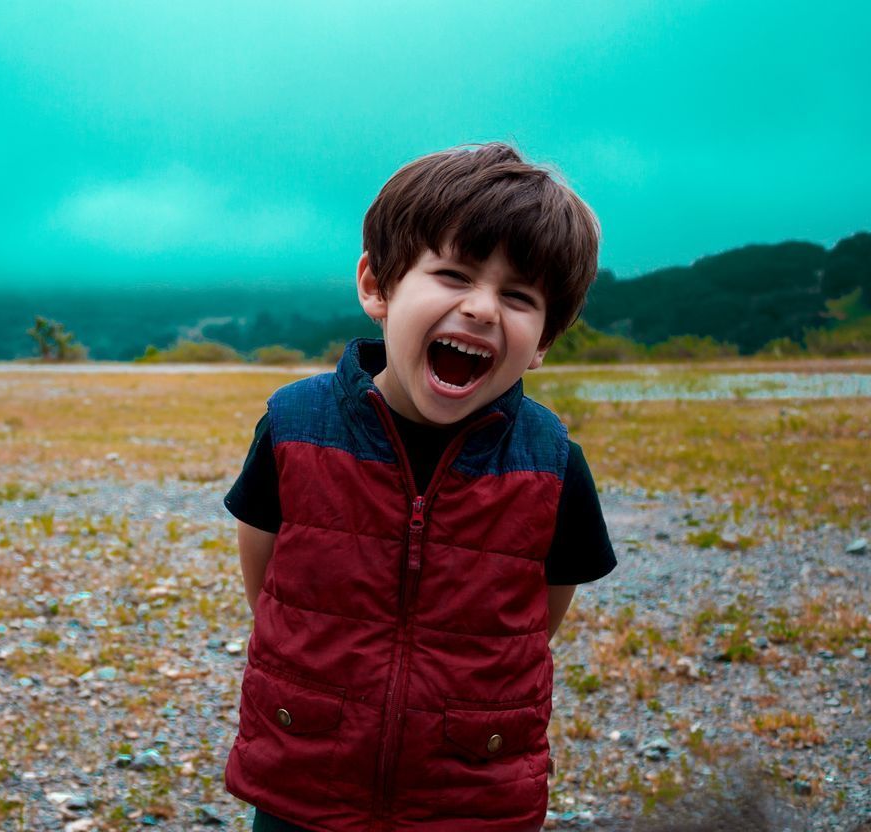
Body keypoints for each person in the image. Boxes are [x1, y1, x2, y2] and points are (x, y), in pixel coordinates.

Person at [222, 142, 617, 832]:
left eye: (520, 297)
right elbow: (268, 579)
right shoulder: (295, 427)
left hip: (468, 790)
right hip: (306, 775)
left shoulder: (551, 463)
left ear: (545, 336)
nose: (485, 310)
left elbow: (537, 618)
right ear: (378, 286)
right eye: (454, 274)